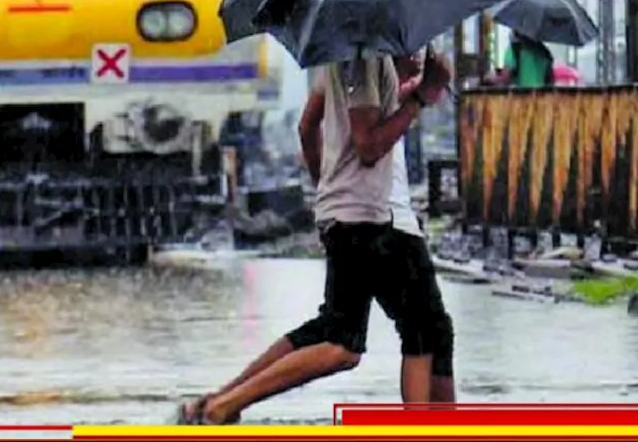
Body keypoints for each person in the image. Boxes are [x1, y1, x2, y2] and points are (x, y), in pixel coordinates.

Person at [175, 49, 456, 424]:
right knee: (360, 341)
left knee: (359, 330)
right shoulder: (365, 57)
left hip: (358, 212)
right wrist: (419, 98)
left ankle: (221, 401)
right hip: (376, 215)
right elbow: (367, 143)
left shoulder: (352, 58)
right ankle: (221, 406)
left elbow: (309, 126)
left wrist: (326, 188)